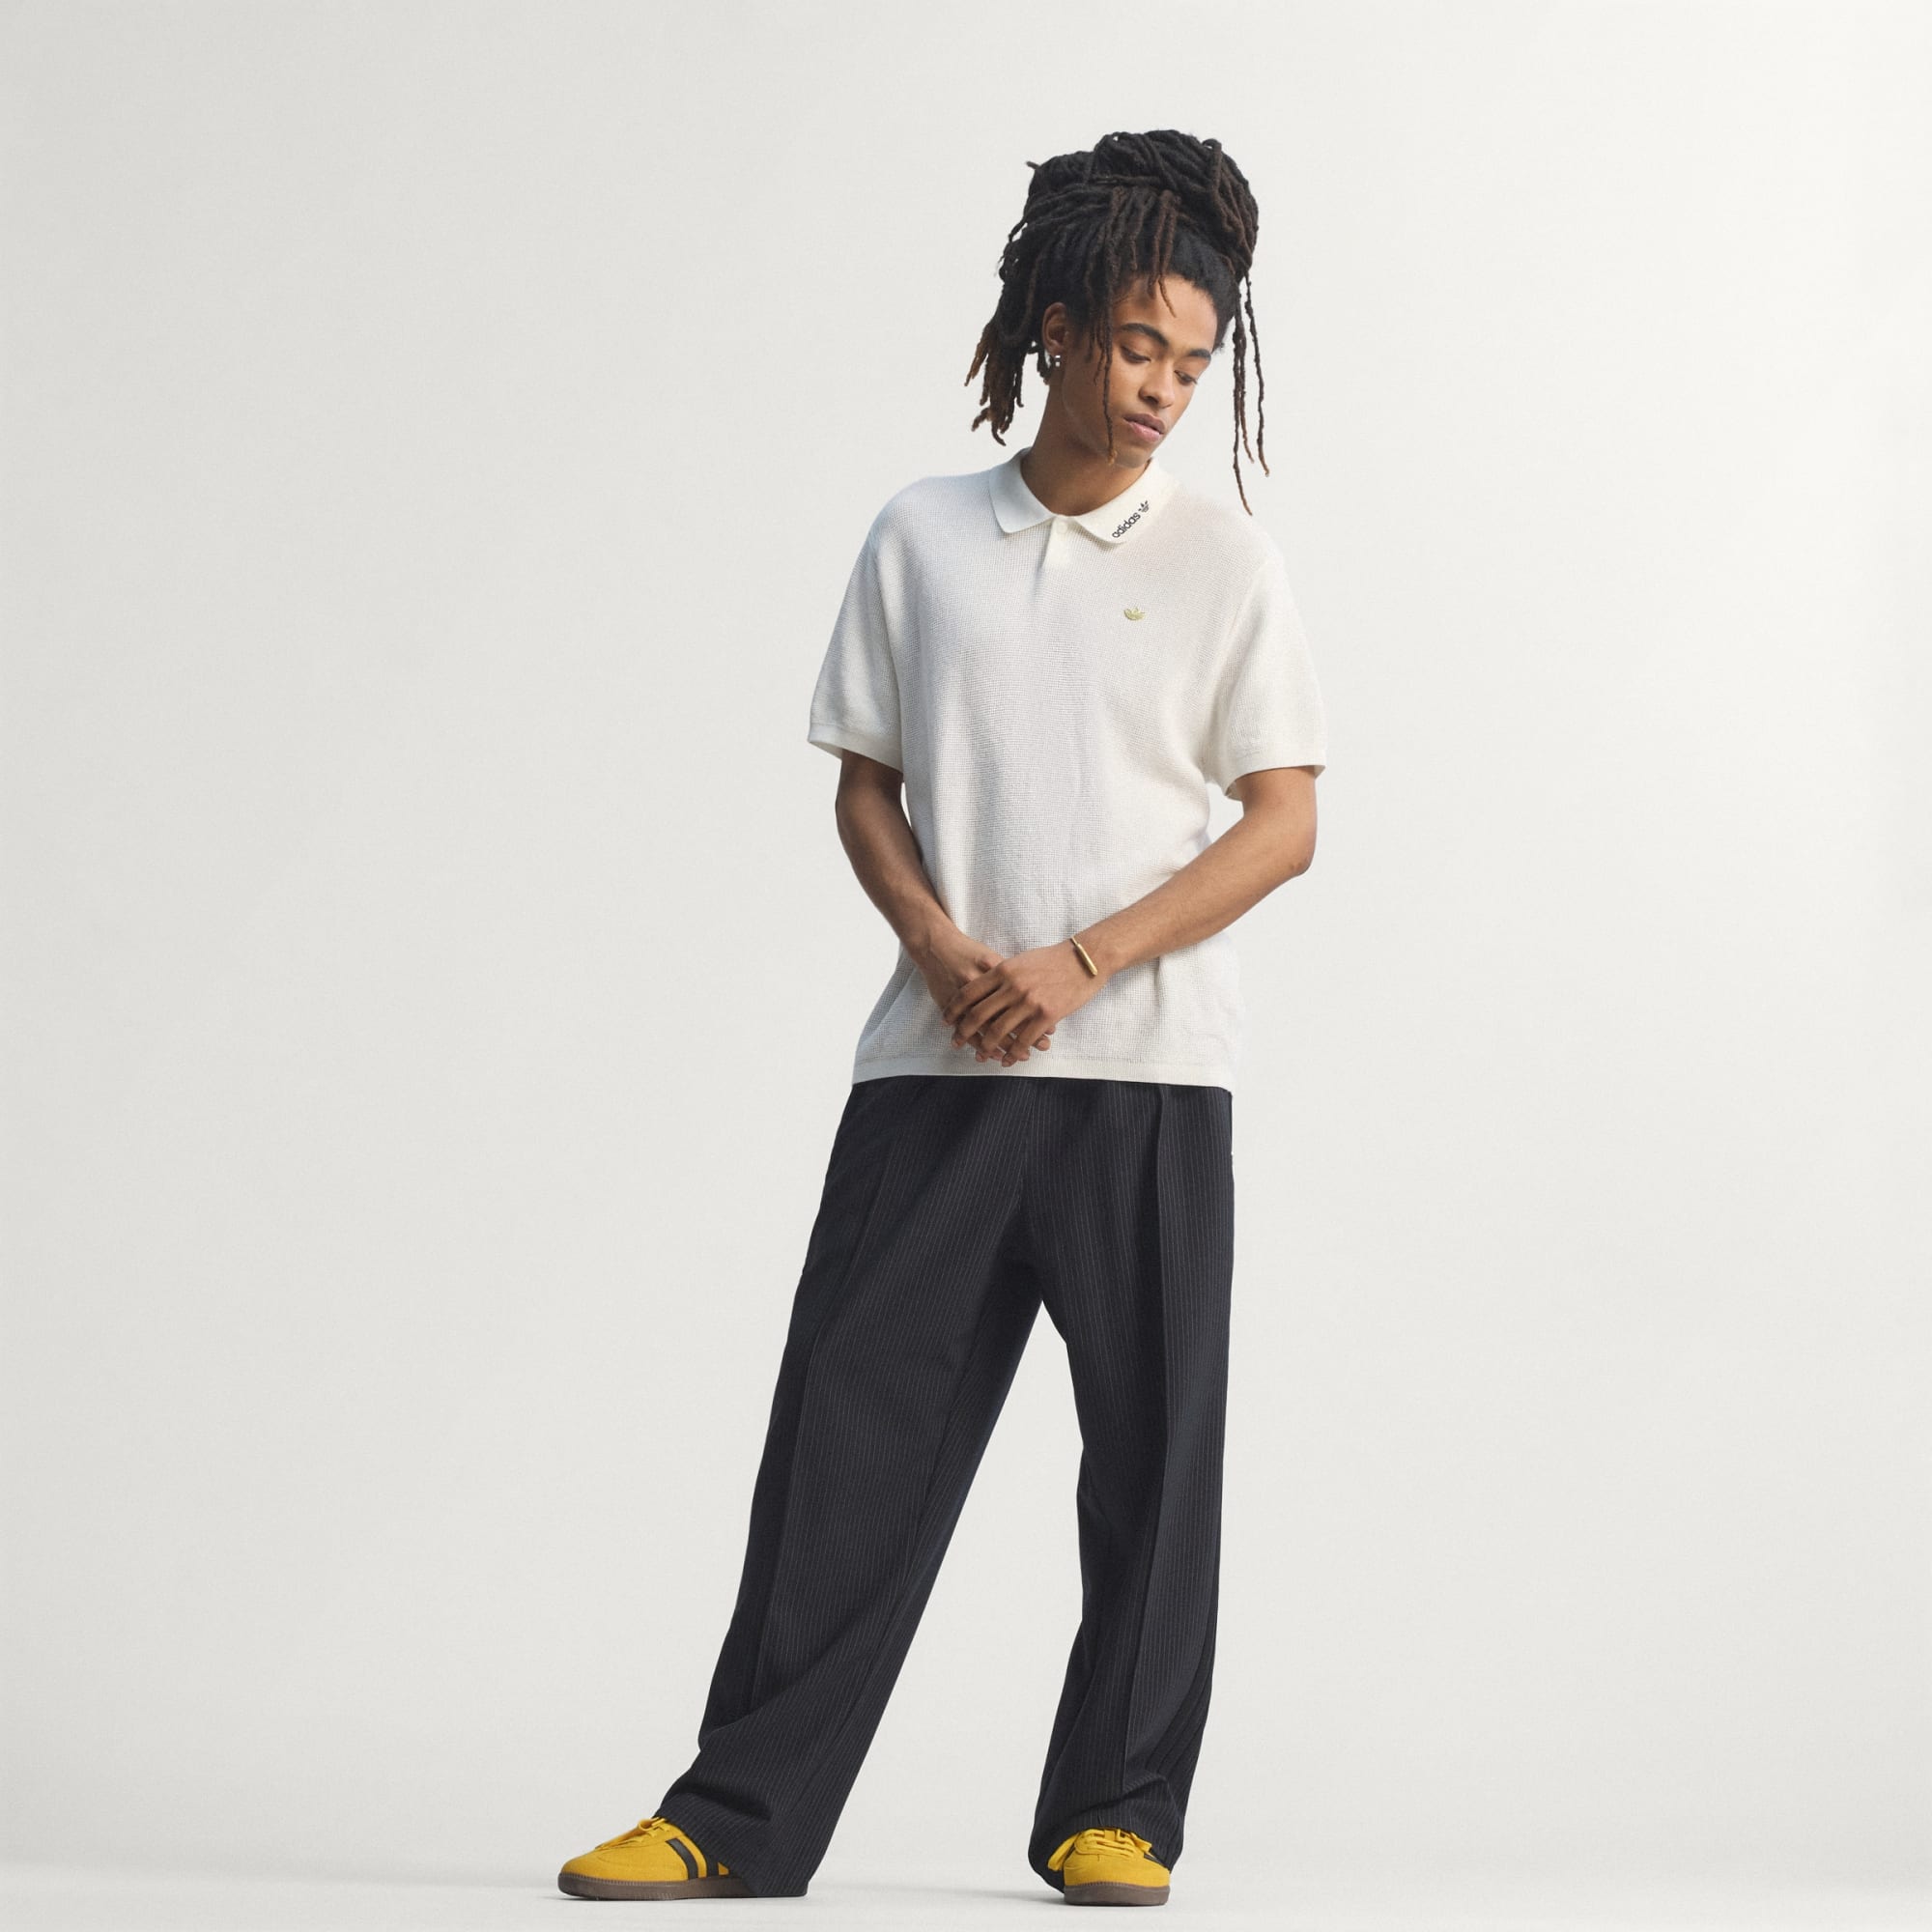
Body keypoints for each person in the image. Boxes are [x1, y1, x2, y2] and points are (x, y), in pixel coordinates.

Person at [557, 127, 1328, 1907]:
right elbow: (868, 785)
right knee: (846, 1437)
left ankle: (1114, 1810)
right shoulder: (921, 536)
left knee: (1154, 1460)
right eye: (1137, 347)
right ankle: (734, 1817)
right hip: (936, 1070)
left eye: (1194, 362)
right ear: (1056, 330)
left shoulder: (1227, 562)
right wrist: (936, 942)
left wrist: (1083, 961)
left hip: (1146, 1078)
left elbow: (1283, 822)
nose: (1165, 390)